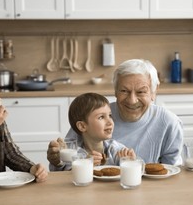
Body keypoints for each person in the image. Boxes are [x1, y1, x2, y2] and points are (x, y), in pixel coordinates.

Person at [48, 59, 184, 171]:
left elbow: (171, 172)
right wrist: (57, 160)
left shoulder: (170, 123)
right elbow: (62, 166)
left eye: (141, 92)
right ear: (115, 91)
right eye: (124, 91)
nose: (132, 100)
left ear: (154, 92)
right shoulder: (91, 114)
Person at [50, 92, 135, 171]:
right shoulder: (74, 154)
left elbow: (133, 170)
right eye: (101, 117)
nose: (110, 122)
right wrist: (84, 165)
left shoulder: (115, 149)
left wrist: (129, 162)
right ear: (82, 126)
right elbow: (63, 175)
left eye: (110, 115)